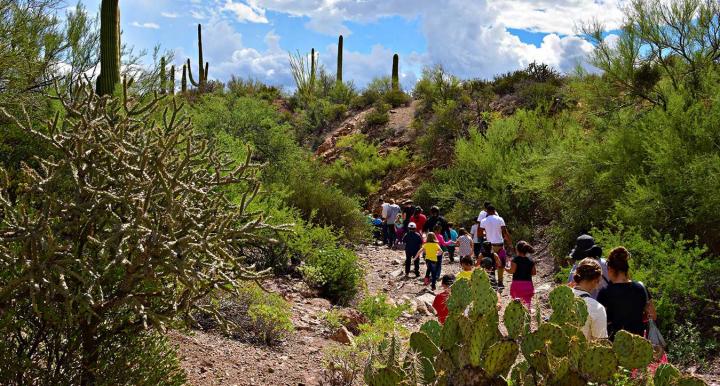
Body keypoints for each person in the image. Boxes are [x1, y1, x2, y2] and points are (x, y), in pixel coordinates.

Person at [597, 247, 657, 340]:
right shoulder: (641, 287)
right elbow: (653, 315)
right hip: (638, 343)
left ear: (610, 269)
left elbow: (600, 322)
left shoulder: (605, 292)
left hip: (614, 345)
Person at [572, 258, 608, 341]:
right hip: (583, 353)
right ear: (596, 280)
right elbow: (600, 344)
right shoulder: (596, 308)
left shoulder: (562, 298)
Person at [567, 234, 610, 299]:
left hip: (585, 305)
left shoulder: (578, 267)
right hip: (606, 305)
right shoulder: (605, 263)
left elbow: (570, 287)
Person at [479, 205, 512, 287]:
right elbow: (504, 232)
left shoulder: (483, 220)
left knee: (490, 263)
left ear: (487, 211)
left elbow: (479, 233)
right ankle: (500, 281)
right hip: (500, 245)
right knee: (501, 263)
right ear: (494, 210)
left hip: (489, 246)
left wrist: (486, 234)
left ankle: (491, 281)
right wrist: (510, 242)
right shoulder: (500, 219)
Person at [506, 241, 536, 308]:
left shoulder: (515, 260)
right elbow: (534, 273)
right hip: (528, 285)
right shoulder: (531, 261)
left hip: (517, 285)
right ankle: (527, 317)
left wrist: (505, 268)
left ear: (517, 250)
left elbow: (512, 271)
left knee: (517, 306)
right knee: (527, 305)